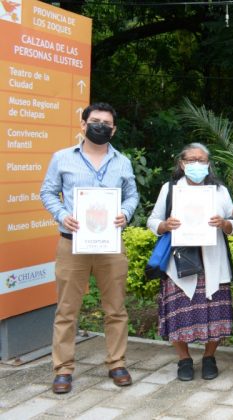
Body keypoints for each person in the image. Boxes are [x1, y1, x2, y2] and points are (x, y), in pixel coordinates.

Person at [40, 102, 140, 394]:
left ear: (114, 129)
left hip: (110, 244)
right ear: (83, 125)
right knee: (67, 310)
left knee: (116, 308)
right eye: (94, 121)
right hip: (72, 243)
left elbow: (132, 194)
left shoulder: (122, 161)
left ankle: (117, 362)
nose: (100, 126)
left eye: (106, 123)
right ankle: (63, 368)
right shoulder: (61, 158)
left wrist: (125, 212)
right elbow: (47, 191)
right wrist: (62, 215)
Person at [147, 143, 233, 381]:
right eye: (191, 160)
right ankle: (184, 359)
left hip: (213, 260)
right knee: (179, 313)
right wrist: (165, 225)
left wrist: (225, 224)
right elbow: (153, 220)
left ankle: (209, 357)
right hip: (179, 262)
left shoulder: (218, 190)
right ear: (181, 163)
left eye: (202, 160)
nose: (196, 164)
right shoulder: (170, 189)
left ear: (208, 164)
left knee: (216, 312)